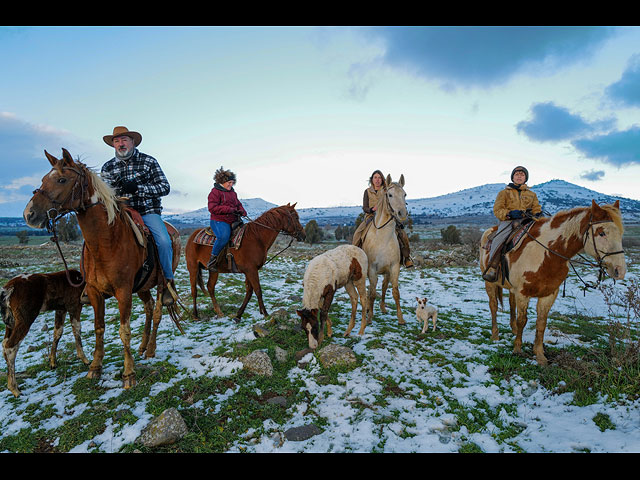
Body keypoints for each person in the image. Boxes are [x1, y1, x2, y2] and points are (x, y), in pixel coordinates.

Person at [100, 126, 176, 306]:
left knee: (164, 242)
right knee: (94, 239)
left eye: (124, 140)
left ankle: (167, 282)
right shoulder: (107, 167)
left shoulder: (148, 161)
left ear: (133, 142)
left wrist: (138, 189)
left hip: (146, 211)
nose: (121, 144)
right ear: (113, 145)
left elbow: (164, 187)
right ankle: (93, 283)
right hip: (118, 213)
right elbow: (103, 195)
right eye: (117, 141)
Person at [482, 165, 542, 282]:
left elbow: (536, 208)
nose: (519, 176)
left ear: (526, 178)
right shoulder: (504, 193)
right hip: (509, 221)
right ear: (512, 177)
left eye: (522, 174)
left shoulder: (532, 195)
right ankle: (493, 267)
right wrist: (509, 214)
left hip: (528, 221)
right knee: (499, 238)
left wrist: (537, 214)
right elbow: (498, 210)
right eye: (517, 174)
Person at [353, 169, 413, 268]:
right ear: (372, 180)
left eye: (379, 178)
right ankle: (354, 258)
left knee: (403, 235)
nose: (377, 180)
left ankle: (407, 258)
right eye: (375, 178)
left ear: (382, 179)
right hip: (371, 216)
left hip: (387, 216)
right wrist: (372, 209)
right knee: (357, 234)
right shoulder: (367, 192)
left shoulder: (387, 190)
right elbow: (365, 208)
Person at [207, 166, 247, 272]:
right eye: (229, 182)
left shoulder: (233, 193)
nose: (231, 184)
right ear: (222, 182)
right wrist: (229, 209)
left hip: (233, 220)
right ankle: (212, 260)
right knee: (223, 237)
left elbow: (238, 204)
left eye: (232, 182)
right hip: (219, 220)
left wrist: (242, 211)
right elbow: (212, 208)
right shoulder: (215, 192)